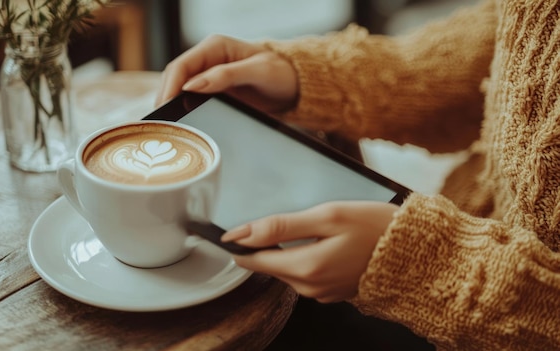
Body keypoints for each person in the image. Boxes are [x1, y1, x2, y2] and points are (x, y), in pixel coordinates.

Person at [155, 1, 560, 349]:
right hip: (465, 227)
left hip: (476, 307)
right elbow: (509, 39)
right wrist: (312, 78)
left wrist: (425, 267)